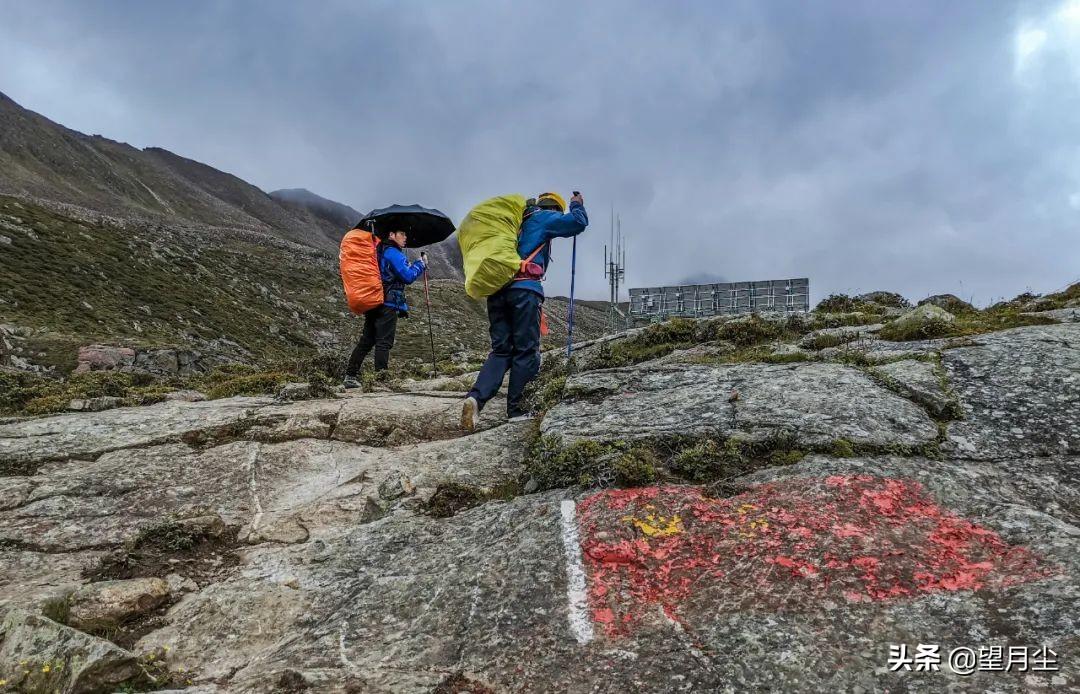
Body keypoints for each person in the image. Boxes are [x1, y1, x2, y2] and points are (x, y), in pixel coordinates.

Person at [461, 191, 588, 427]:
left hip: (497, 291)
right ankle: (517, 410)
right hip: (524, 291)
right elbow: (577, 223)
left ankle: (475, 398)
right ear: (554, 209)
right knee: (526, 350)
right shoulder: (544, 217)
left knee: (501, 351)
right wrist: (576, 205)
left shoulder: (516, 222)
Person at [343, 229, 426, 387]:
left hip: (373, 300)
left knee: (366, 341)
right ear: (391, 234)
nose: (405, 237)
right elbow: (407, 276)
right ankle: (381, 380)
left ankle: (350, 376)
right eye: (402, 234)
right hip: (388, 304)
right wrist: (420, 265)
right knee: (384, 342)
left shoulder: (378, 251)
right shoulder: (392, 252)